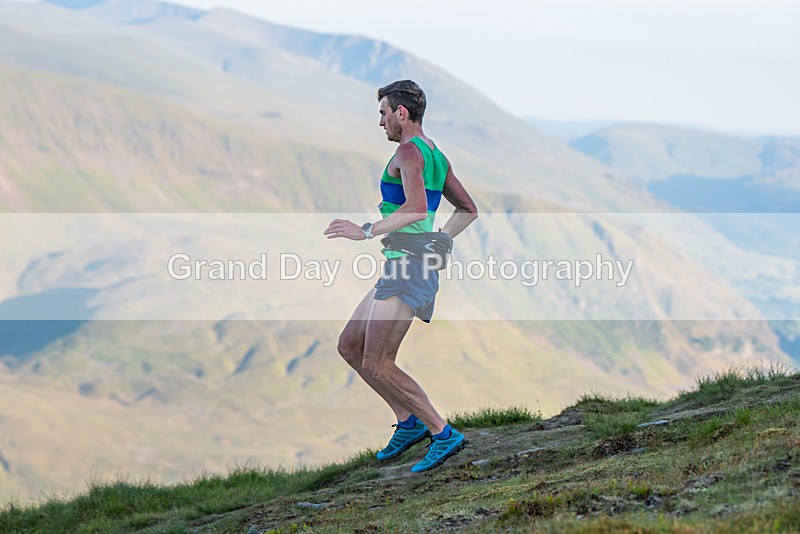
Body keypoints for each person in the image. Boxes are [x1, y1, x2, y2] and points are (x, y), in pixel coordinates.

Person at [323, 80, 479, 473]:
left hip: (409, 266)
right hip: (405, 262)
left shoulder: (408, 151)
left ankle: (442, 433)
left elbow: (412, 206)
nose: (381, 122)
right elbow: (468, 209)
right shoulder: (434, 154)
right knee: (350, 346)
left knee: (377, 362)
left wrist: (367, 229)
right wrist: (440, 237)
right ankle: (408, 423)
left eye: (383, 113)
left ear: (401, 113)